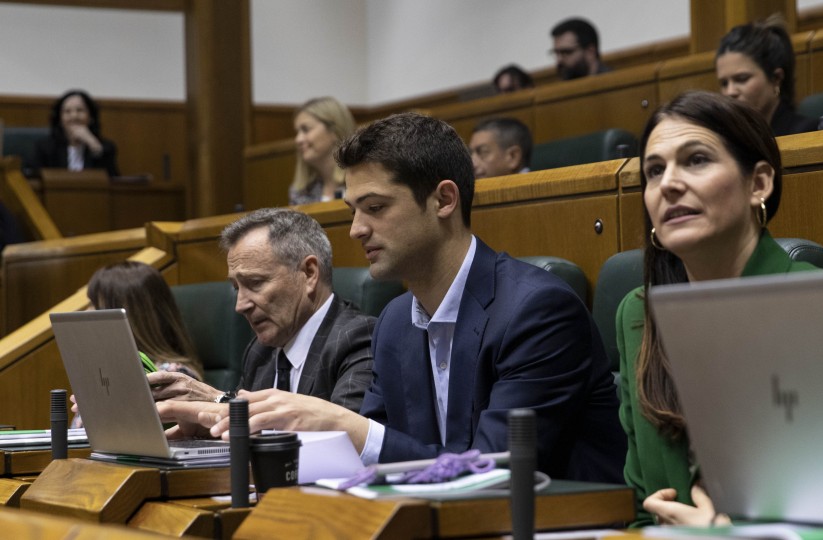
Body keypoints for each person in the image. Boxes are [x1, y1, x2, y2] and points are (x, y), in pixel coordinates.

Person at [160, 112, 626, 483]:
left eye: (376, 208)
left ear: (444, 201)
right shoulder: (396, 321)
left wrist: (345, 425)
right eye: (353, 211)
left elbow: (494, 471)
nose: (358, 229)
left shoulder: (536, 310)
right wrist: (227, 435)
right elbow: (372, 460)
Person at [617, 91, 821, 527]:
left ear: (759, 184)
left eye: (695, 160)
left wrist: (733, 535)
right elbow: (640, 506)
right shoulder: (637, 315)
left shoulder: (819, 303)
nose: (668, 183)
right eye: (654, 171)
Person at [147, 207, 375, 416]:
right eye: (237, 288)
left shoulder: (358, 339)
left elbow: (344, 441)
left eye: (255, 283)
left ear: (309, 273)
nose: (240, 305)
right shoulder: (260, 352)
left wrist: (218, 401)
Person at [88, 261, 203, 379]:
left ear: (132, 317)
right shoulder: (110, 366)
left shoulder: (174, 376)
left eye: (96, 306)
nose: (88, 312)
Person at [715, 16, 819, 136]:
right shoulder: (729, 140)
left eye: (742, 79)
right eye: (724, 83)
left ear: (776, 79)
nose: (730, 92)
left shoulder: (806, 132)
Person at [31, 90, 119, 177]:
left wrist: (93, 144)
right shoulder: (44, 148)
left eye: (80, 110)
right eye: (67, 112)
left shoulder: (105, 148)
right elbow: (36, 179)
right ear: (60, 119)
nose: (74, 116)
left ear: (91, 117)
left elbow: (113, 182)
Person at [289, 97, 356, 205]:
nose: (298, 139)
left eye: (306, 129)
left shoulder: (362, 180)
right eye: (297, 132)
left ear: (334, 130)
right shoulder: (300, 191)